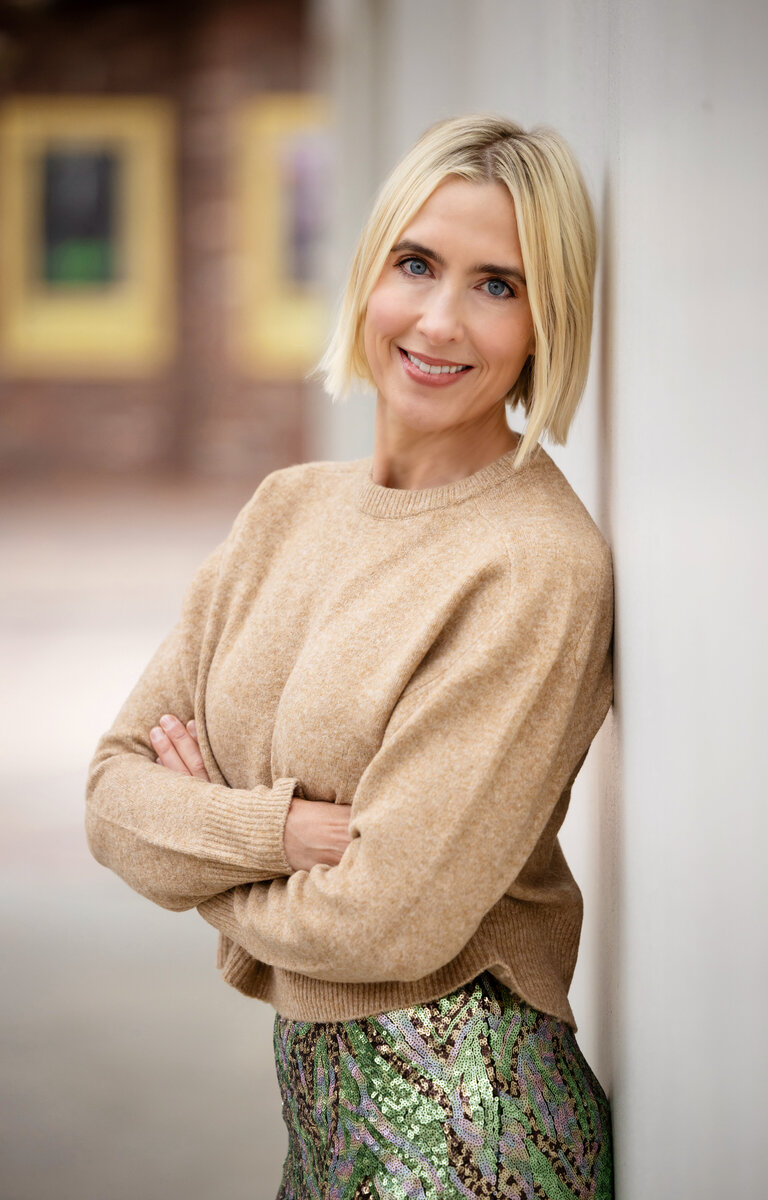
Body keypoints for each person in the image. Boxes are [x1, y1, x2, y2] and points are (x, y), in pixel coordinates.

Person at [85, 114, 615, 1199]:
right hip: (323, 1126)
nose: (438, 319)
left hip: (470, 1133)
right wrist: (281, 833)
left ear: (545, 322)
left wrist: (199, 861)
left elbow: (382, 921)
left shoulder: (533, 566)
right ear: (367, 272)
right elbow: (107, 797)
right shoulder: (289, 508)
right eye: (415, 264)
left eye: (496, 285)